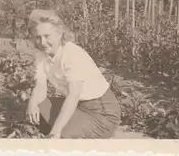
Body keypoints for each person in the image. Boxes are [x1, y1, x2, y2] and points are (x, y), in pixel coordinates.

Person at [25, 9, 121, 139]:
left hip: (102, 113)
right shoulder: (42, 54)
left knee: (64, 135)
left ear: (59, 34)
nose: (42, 42)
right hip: (79, 106)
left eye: (47, 36)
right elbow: (41, 86)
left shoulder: (72, 54)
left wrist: (56, 132)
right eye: (38, 37)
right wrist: (32, 103)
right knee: (40, 109)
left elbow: (73, 95)